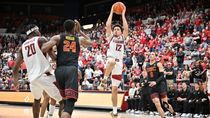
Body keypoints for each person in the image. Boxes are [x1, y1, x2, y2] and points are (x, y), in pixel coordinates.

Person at [41, 19, 92, 118]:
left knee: (63, 102)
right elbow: (91, 42)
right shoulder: (79, 39)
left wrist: (54, 57)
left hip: (59, 70)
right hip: (71, 70)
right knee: (69, 104)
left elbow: (44, 48)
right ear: (74, 28)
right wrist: (80, 31)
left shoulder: (57, 38)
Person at [12, 24, 63, 118]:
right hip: (45, 76)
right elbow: (53, 57)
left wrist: (15, 83)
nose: (40, 32)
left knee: (36, 100)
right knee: (64, 101)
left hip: (32, 79)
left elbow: (15, 68)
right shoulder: (41, 39)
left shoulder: (22, 47)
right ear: (35, 31)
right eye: (38, 30)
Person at [100, 3, 128, 116]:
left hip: (119, 64)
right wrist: (112, 10)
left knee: (115, 89)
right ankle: (104, 79)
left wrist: (123, 14)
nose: (116, 30)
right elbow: (108, 25)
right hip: (111, 60)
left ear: (121, 32)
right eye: (114, 29)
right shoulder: (110, 37)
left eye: (118, 29)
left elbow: (125, 27)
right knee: (111, 61)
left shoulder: (123, 37)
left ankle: (115, 111)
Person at [143, 52, 175, 118]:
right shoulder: (147, 65)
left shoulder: (158, 64)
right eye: (150, 54)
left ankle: (174, 114)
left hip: (160, 84)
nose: (151, 55)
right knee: (157, 104)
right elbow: (147, 76)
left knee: (165, 104)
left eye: (152, 54)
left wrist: (156, 82)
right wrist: (145, 81)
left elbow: (162, 76)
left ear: (155, 57)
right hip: (152, 86)